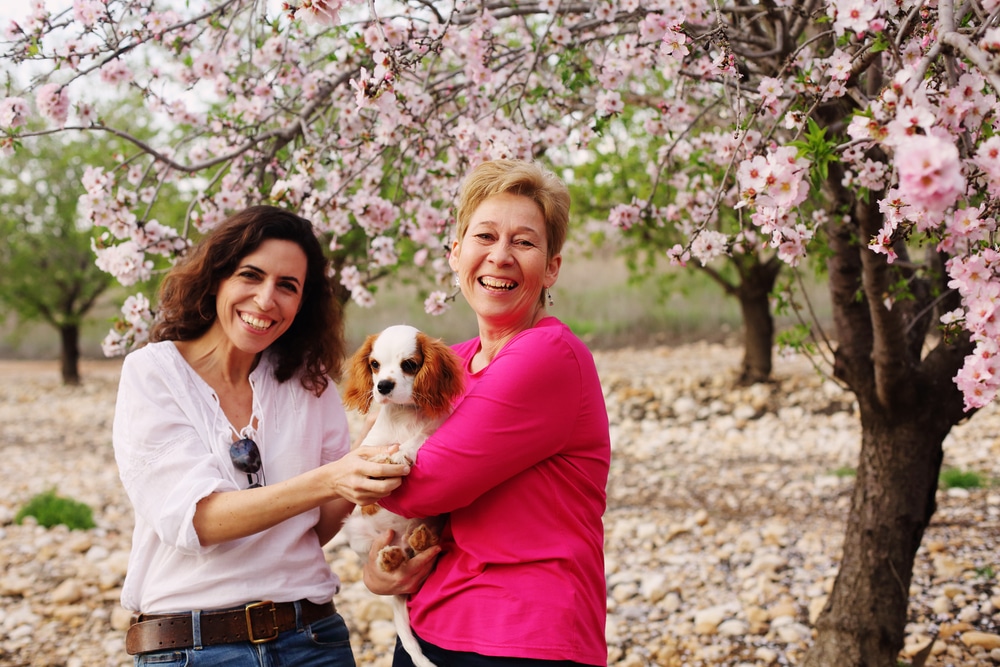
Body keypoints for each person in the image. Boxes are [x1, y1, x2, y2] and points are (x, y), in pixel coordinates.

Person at [112, 205, 410, 666]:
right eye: (251, 275)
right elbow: (200, 521)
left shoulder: (309, 383)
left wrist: (368, 452)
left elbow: (319, 525)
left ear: (302, 303)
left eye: (287, 286)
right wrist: (333, 477)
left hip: (313, 638)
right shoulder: (153, 374)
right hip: (192, 647)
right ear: (217, 277)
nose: (267, 299)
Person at [364, 160, 611, 666]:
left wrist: (354, 482)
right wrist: (376, 569)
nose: (500, 257)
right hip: (429, 621)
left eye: (524, 242)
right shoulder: (440, 366)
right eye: (485, 237)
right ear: (456, 255)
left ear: (552, 267)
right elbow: (377, 473)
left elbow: (424, 484)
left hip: (522, 631)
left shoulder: (548, 355)